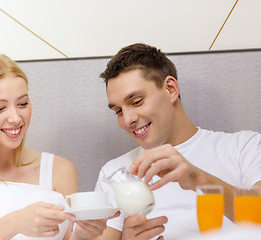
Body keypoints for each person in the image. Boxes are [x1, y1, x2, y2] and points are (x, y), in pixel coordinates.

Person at [0, 54, 115, 240]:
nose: (15, 118)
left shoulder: (60, 170)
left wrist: (82, 235)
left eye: (22, 103)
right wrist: (14, 223)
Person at [94, 43, 261, 239]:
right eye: (119, 111)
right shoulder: (115, 172)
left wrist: (197, 179)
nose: (128, 120)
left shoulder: (244, 147)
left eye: (136, 101)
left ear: (170, 89)